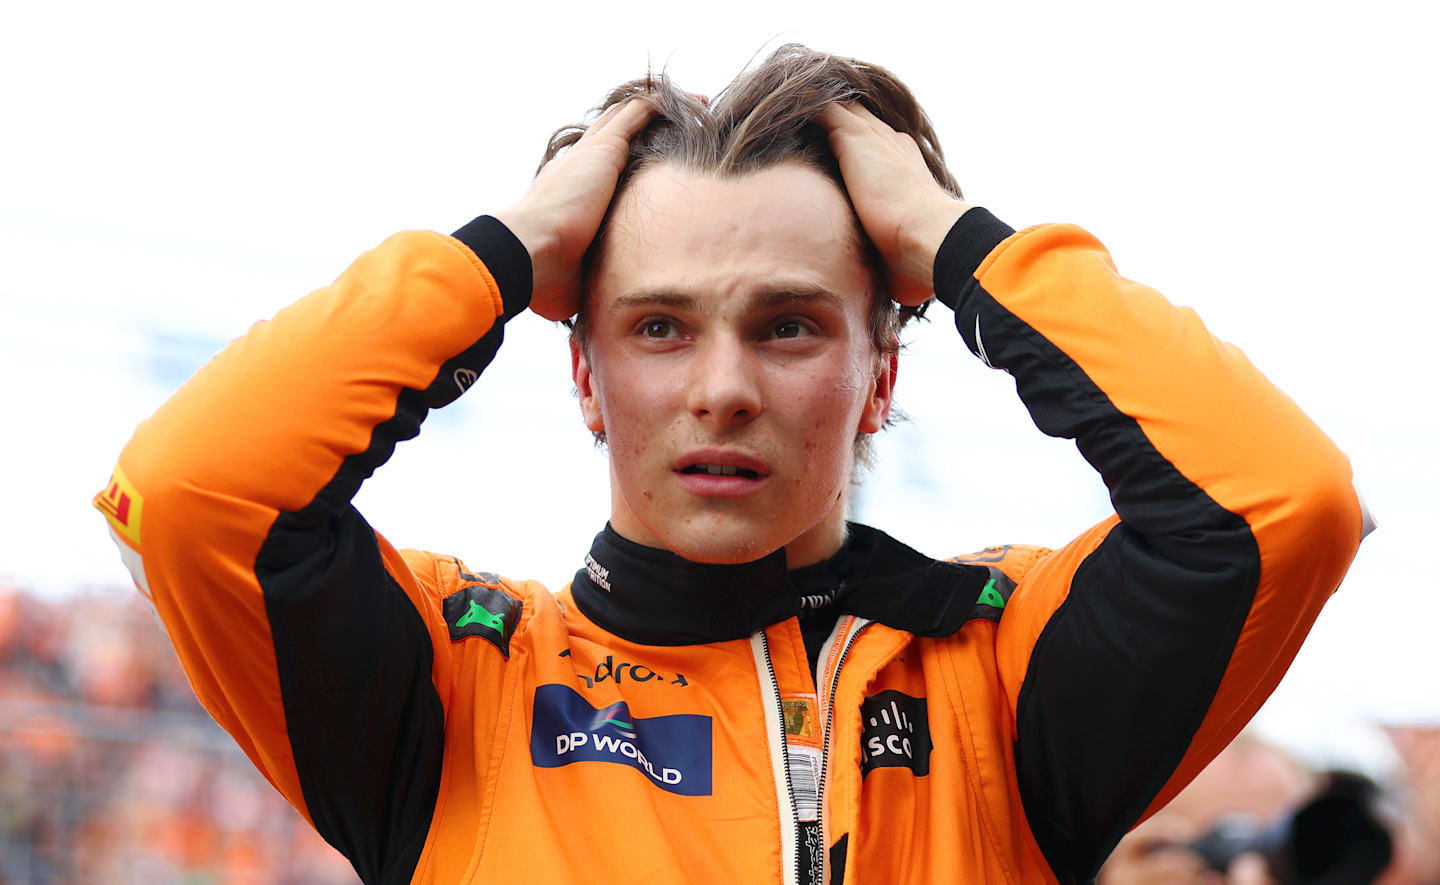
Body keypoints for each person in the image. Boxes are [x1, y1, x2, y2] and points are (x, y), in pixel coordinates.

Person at [93, 44, 1373, 884]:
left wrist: (955, 240)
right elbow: (195, 489)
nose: (721, 388)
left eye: (790, 325)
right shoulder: (453, 687)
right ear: (585, 374)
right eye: (658, 326)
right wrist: (502, 252)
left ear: (880, 375)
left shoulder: (1005, 676)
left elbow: (1280, 505)